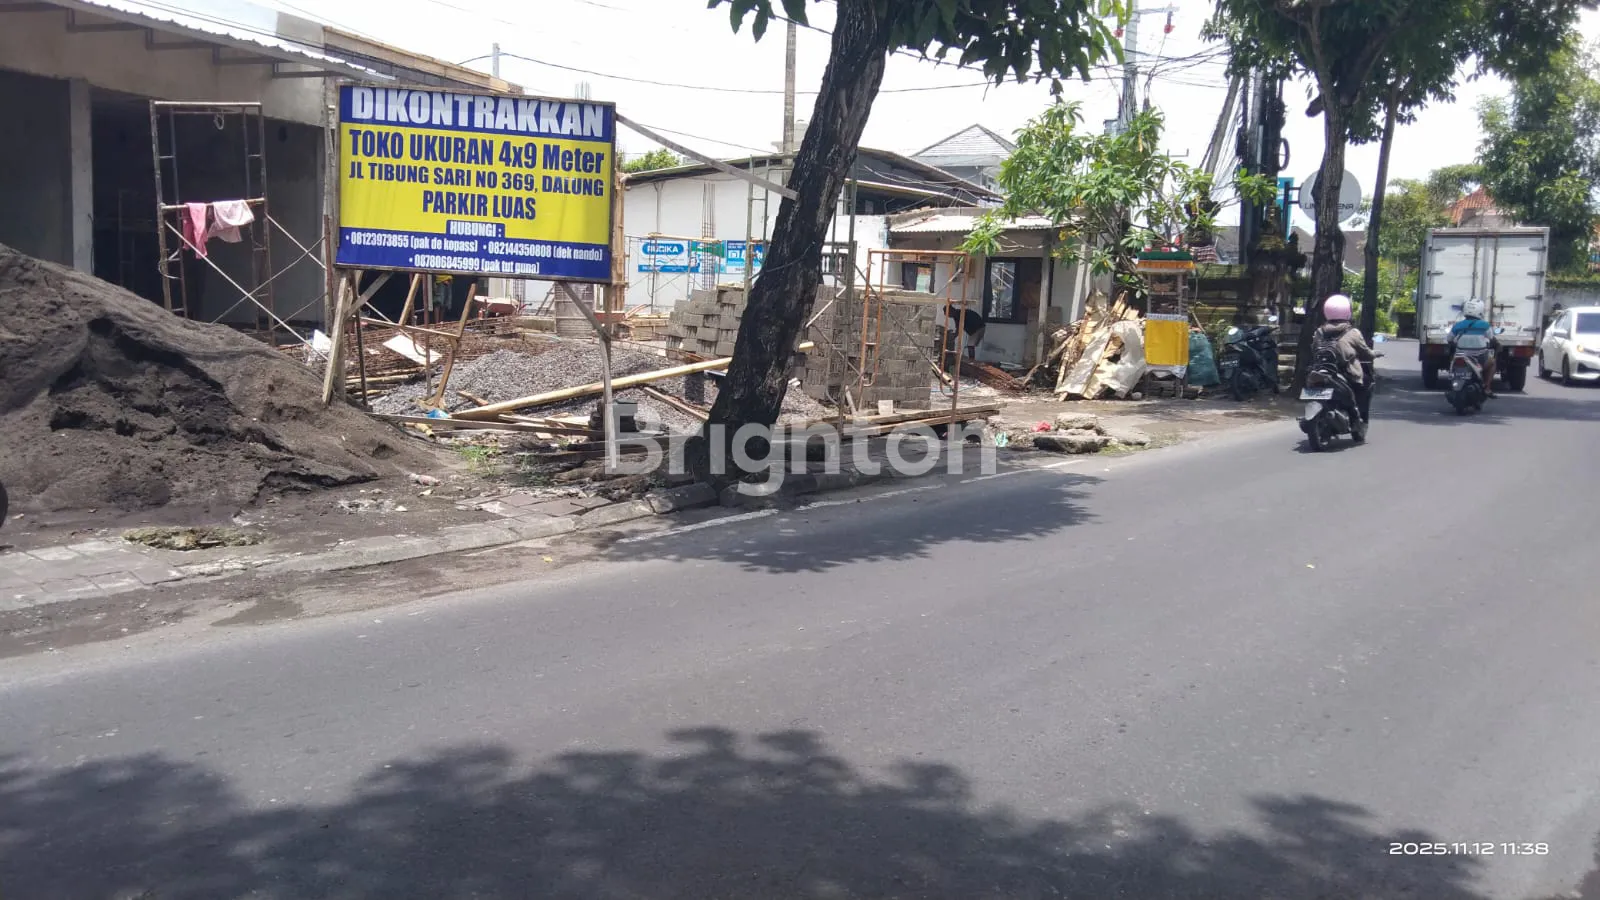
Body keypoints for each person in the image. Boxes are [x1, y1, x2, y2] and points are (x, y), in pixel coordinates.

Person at [1316, 293, 1378, 425]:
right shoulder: (1353, 332)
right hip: (1347, 372)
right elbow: (1365, 352)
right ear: (1347, 312)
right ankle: (1359, 419)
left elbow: (1313, 349)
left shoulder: (1319, 331)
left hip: (1321, 369)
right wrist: (1374, 354)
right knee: (1365, 385)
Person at [1449, 297, 1497, 397]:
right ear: (1480, 310)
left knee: (1453, 363)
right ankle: (1487, 388)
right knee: (1492, 362)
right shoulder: (1485, 325)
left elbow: (1449, 339)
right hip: (1479, 358)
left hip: (1461, 356)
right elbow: (1491, 338)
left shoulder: (1458, 325)